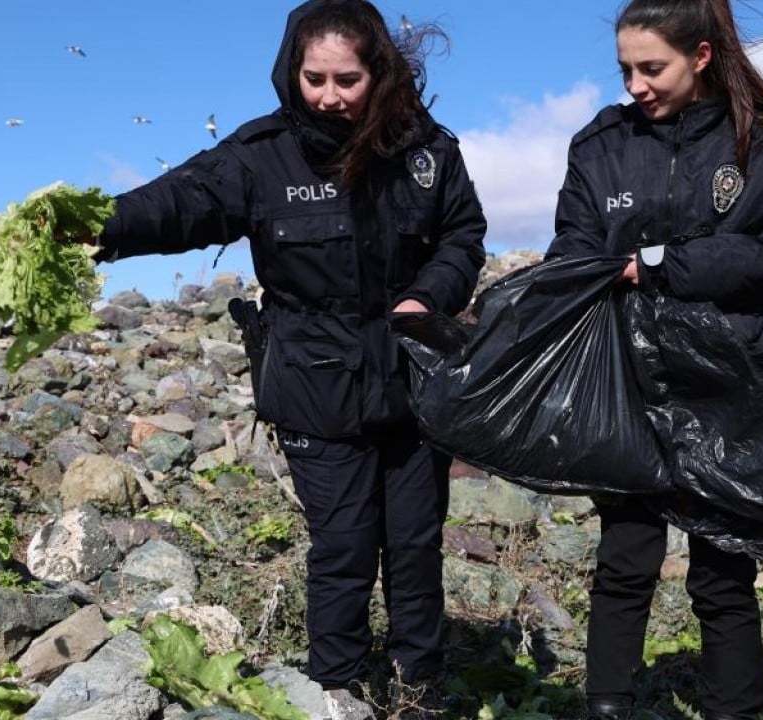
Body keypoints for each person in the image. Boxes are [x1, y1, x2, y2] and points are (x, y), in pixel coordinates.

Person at [71, 0, 486, 712]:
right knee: (344, 548)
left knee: (415, 548)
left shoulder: (428, 151)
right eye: (314, 78)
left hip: (413, 383)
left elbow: (464, 236)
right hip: (312, 385)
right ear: (291, 71)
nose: (329, 96)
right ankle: (339, 695)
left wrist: (428, 296)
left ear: (377, 72)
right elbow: (177, 204)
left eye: (347, 80)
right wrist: (86, 224)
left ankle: (421, 693)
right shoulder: (259, 156)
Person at [543, 1, 763, 718]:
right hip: (629, 382)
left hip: (737, 384)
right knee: (624, 559)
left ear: (702, 57)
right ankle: (607, 706)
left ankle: (733, 710)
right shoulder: (600, 145)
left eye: (652, 67)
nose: (635, 85)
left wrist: (657, 264)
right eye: (625, 69)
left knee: (723, 573)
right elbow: (572, 251)